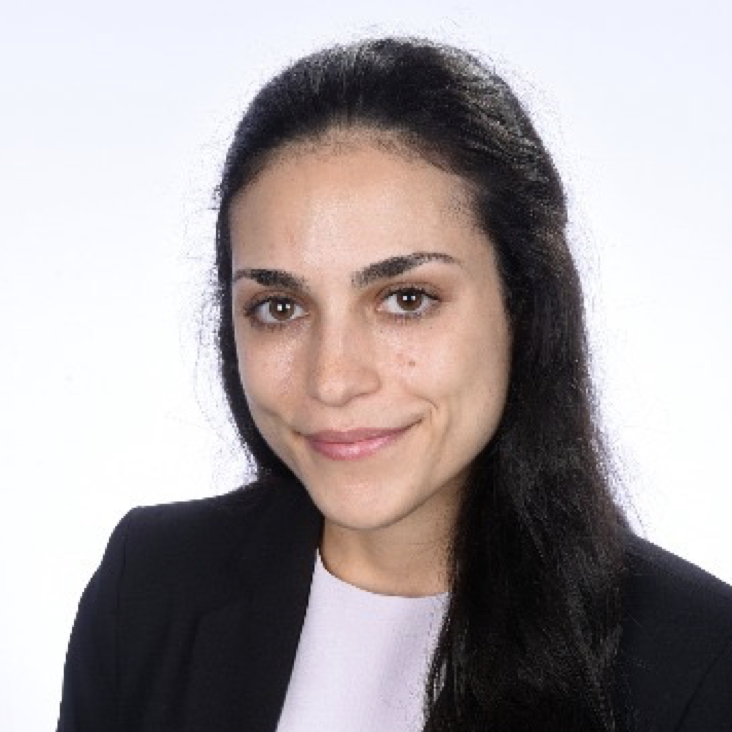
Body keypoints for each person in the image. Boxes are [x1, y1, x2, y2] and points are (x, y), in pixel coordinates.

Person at [56, 35, 732, 732]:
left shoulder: (697, 664)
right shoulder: (152, 586)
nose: (333, 379)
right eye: (280, 307)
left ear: (523, 304)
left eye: (406, 299)